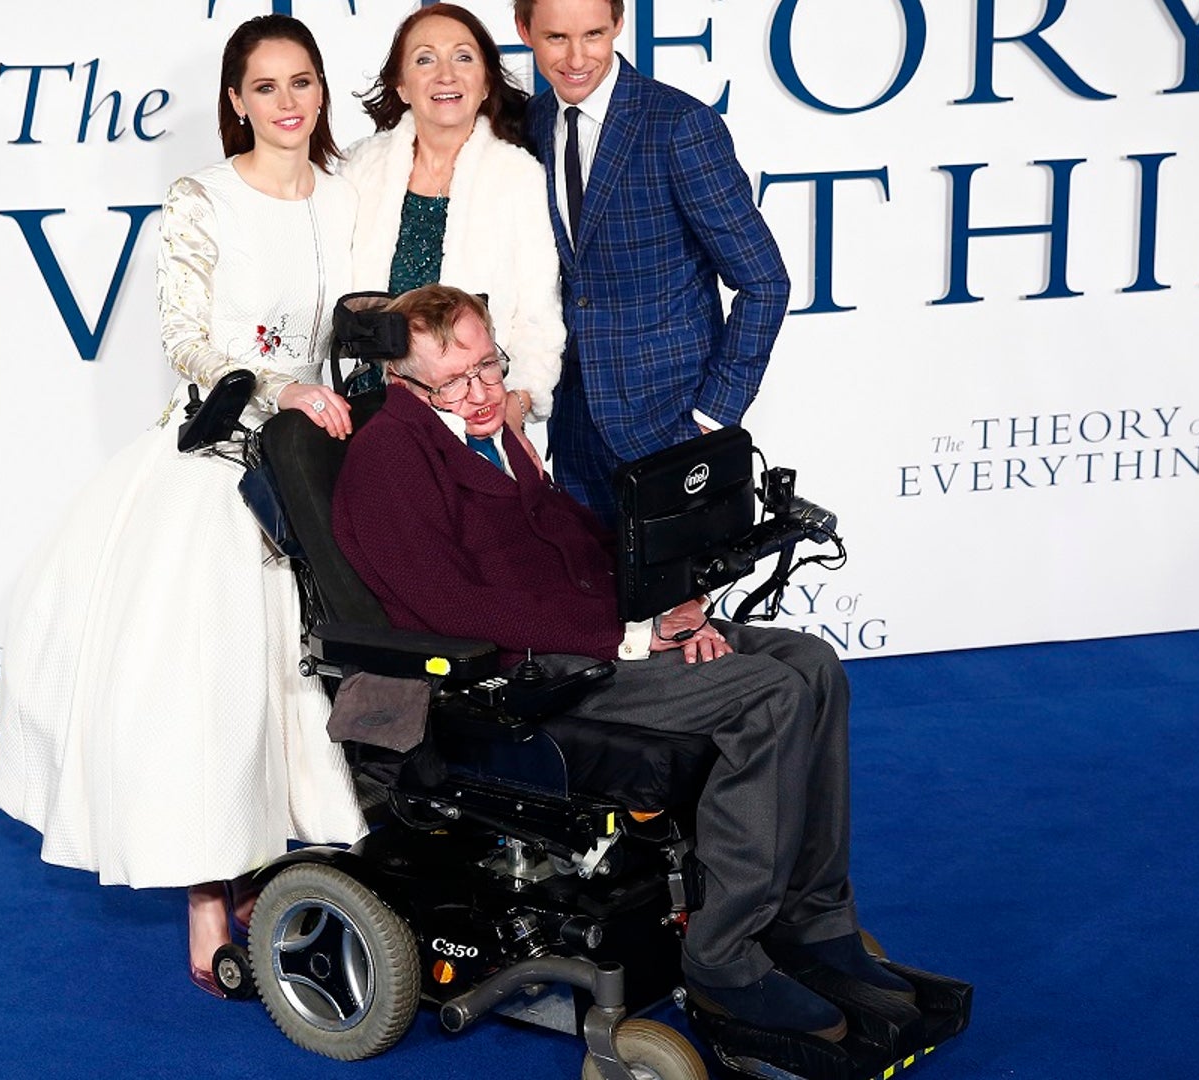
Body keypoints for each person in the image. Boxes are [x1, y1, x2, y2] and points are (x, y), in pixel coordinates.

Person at [332, 285, 906, 1042]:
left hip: (597, 633)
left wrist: (675, 599)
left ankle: (813, 919)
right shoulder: (388, 459)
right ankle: (724, 958)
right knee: (769, 695)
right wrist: (628, 637)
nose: (481, 393)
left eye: (489, 367)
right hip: (527, 677)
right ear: (402, 384)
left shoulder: (496, 435)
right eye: (455, 380)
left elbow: (580, 538)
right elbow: (452, 609)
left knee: (812, 664)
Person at [0, 14, 365, 1000]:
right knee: (210, 683)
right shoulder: (200, 200)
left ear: (323, 90)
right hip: (223, 453)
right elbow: (187, 340)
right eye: (266, 86)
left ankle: (299, 852)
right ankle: (208, 890)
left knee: (319, 672)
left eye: (303, 82)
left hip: (332, 457)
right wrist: (281, 388)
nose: (288, 103)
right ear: (235, 100)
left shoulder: (351, 191)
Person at [514, 0, 790, 525]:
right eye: (556, 38)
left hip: (673, 430)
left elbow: (765, 282)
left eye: (593, 34)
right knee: (588, 604)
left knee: (682, 608)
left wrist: (713, 416)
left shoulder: (680, 126)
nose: (576, 57)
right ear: (524, 30)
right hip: (574, 437)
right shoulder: (532, 122)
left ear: (619, 24)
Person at [341, 2, 563, 452]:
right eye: (425, 59)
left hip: (478, 418)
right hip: (370, 415)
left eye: (463, 57)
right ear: (401, 85)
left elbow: (539, 316)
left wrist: (515, 409)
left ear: (485, 82)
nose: (446, 74)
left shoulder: (519, 176)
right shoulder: (359, 168)